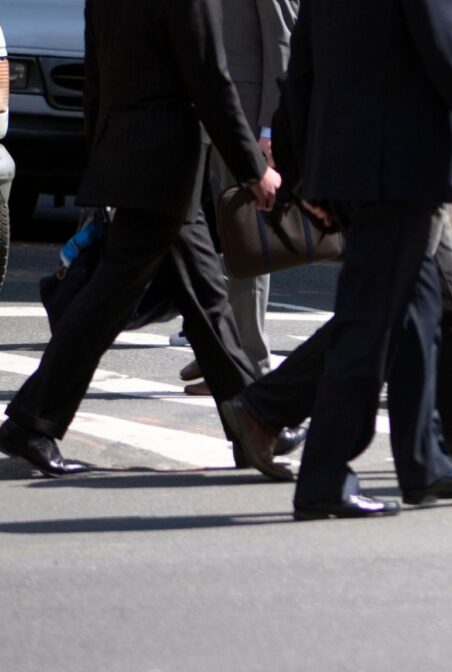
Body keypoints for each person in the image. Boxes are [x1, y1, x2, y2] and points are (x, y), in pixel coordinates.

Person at [225, 0, 452, 519]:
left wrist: (304, 167)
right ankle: (326, 474)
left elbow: (302, 64)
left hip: (356, 161)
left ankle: (423, 461)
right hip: (402, 166)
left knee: (421, 317)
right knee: (372, 328)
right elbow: (448, 47)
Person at [0, 0, 281, 477]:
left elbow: (96, 80)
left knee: (206, 298)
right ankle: (30, 423)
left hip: (134, 156)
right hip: (164, 164)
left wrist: (102, 156)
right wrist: (253, 169)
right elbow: (209, 79)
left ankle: (254, 419)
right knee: (108, 301)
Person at [179, 0, 299, 390]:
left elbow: (282, 42)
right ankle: (223, 354)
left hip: (245, 123)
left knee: (246, 242)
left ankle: (250, 364)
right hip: (204, 116)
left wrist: (269, 130)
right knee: (205, 243)